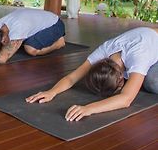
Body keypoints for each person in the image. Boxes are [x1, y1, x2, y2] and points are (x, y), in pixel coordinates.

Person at [26, 27, 158, 121]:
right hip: (145, 38)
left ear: (121, 78)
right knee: (140, 79)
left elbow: (126, 99)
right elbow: (72, 78)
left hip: (149, 40)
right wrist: (52, 92)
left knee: (152, 82)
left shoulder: (139, 57)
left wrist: (89, 109)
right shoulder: (103, 51)